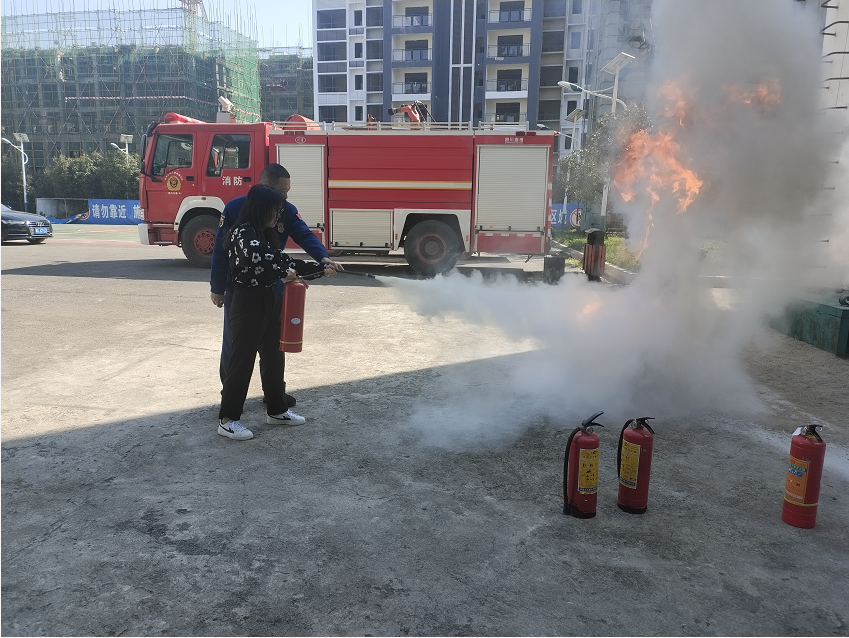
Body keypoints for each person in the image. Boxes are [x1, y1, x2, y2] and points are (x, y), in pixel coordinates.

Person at [210, 164, 342, 410]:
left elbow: (301, 239)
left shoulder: (285, 211)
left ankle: (274, 397)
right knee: (238, 347)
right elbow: (245, 254)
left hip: (272, 288)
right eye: (282, 191)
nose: (286, 198)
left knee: (273, 347)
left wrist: (321, 262)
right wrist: (217, 288)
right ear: (264, 190)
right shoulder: (237, 216)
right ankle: (229, 394)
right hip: (242, 291)